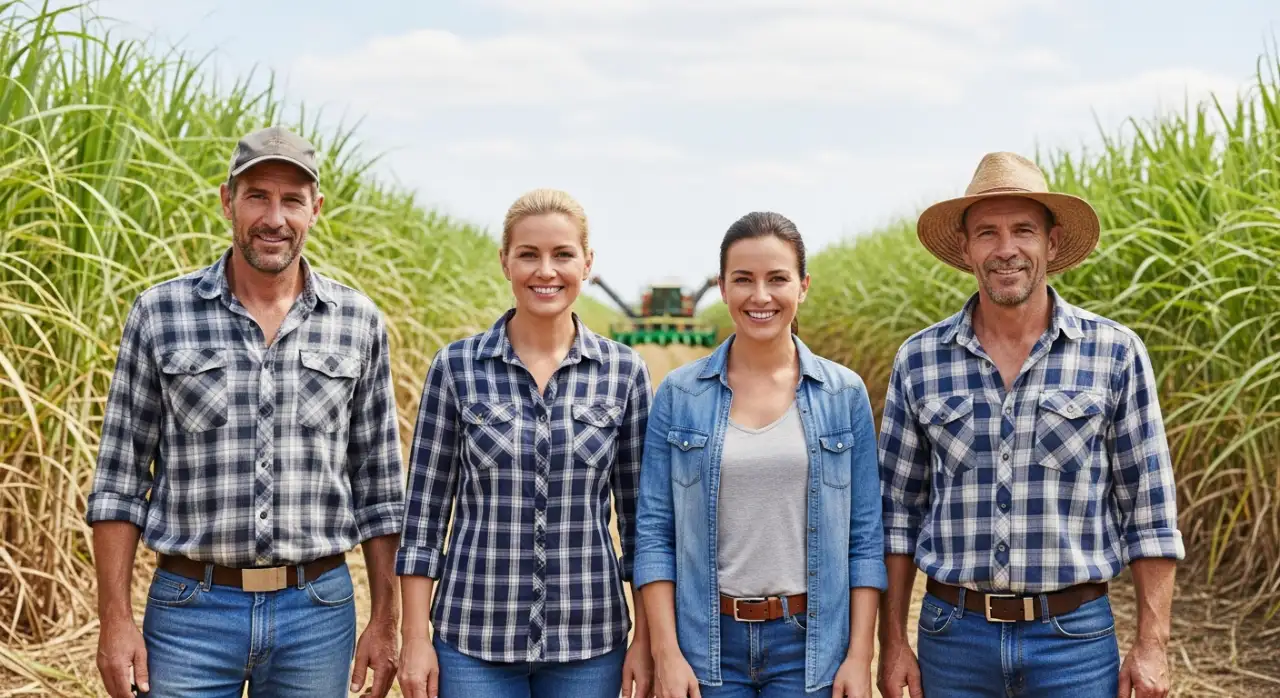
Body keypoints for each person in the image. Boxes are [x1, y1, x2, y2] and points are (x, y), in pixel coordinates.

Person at [86, 125, 405, 698]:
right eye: (257, 195)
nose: (274, 218)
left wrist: (386, 621)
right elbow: (119, 482)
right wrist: (114, 621)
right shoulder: (161, 314)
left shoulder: (357, 322)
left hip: (317, 612)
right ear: (227, 200)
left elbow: (380, 488)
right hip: (190, 614)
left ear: (316, 210)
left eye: (292, 200)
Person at [875, 151, 1185, 698]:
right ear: (968, 248)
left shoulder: (1115, 354)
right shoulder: (919, 360)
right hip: (953, 639)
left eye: (1023, 230)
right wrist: (893, 641)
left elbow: (1149, 511)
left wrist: (1153, 644)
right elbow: (897, 513)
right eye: (987, 232)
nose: (1006, 249)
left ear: (1053, 244)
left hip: (1074, 643)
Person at [394, 188, 654, 698]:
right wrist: (415, 638)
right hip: (472, 641)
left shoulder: (624, 373)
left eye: (563, 254)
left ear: (587, 263)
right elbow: (423, 519)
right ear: (505, 263)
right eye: (529, 254)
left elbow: (641, 525)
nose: (546, 270)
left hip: (590, 643)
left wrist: (644, 639)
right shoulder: (455, 368)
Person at [634, 211, 887, 698]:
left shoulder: (844, 394)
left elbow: (864, 538)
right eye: (743, 280)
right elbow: (654, 534)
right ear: (723, 289)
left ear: (803, 286)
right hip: (706, 646)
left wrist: (860, 656)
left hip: (811, 649)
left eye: (777, 279)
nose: (761, 296)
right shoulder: (679, 395)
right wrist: (666, 653)